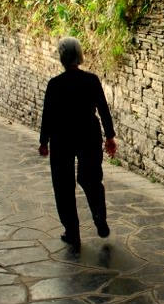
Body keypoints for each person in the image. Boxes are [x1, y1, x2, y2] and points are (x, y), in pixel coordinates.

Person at [38, 37, 118, 250]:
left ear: (62, 58)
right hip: (88, 134)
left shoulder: (55, 84)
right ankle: (99, 217)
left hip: (61, 138)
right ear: (80, 56)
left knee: (63, 185)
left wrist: (43, 141)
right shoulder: (91, 80)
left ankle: (72, 232)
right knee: (91, 178)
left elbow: (48, 115)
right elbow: (103, 108)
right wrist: (109, 136)